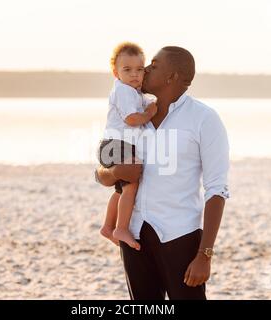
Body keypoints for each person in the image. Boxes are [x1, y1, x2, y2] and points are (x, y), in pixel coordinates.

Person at [95, 46, 230, 300]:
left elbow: (217, 190)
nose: (144, 70)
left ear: (171, 77)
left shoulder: (204, 119)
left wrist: (205, 255)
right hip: (134, 237)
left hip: (180, 237)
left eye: (153, 66)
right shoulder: (133, 114)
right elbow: (101, 174)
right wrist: (115, 172)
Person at [97, 42, 157, 251]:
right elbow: (132, 118)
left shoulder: (131, 91)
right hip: (118, 145)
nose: (134, 75)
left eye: (139, 70)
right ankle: (121, 228)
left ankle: (107, 226)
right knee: (132, 184)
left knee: (122, 190)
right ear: (115, 72)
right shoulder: (123, 91)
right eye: (127, 70)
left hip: (115, 145)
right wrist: (149, 113)